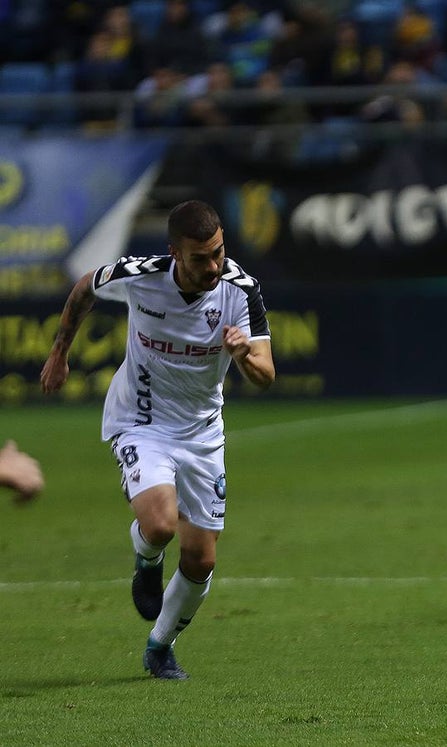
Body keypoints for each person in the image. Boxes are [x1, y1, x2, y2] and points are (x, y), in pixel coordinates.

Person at [40, 200, 275, 680]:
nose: (213, 266)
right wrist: (60, 352)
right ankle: (147, 558)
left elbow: (267, 375)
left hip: (203, 433)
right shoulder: (140, 276)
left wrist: (243, 354)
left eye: (218, 252)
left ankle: (160, 646)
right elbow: (85, 286)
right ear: (174, 254)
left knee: (202, 558)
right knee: (161, 524)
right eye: (199, 258)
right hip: (141, 420)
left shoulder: (241, 289)